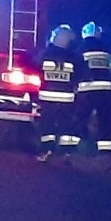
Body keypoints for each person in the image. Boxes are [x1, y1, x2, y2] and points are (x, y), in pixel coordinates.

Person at [32, 23, 81, 160]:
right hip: (67, 98)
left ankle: (47, 150)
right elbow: (80, 75)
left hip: (47, 98)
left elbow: (35, 68)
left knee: (47, 125)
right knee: (67, 125)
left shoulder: (45, 53)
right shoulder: (74, 56)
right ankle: (67, 152)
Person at [75, 21, 111, 153]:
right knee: (105, 119)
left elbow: (77, 68)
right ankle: (105, 148)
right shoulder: (105, 48)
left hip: (87, 90)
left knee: (80, 118)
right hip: (106, 91)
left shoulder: (80, 48)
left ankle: (75, 144)